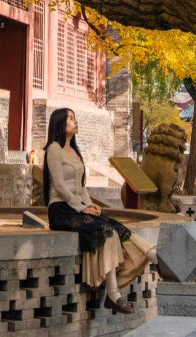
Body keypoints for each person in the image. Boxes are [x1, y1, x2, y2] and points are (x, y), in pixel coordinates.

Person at [43, 108, 157, 314]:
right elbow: (59, 185)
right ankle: (113, 295)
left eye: (74, 117)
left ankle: (152, 254)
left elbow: (82, 186)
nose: (75, 121)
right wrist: (82, 207)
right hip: (61, 210)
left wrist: (92, 205)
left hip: (78, 208)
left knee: (115, 226)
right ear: (60, 123)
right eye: (70, 118)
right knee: (106, 232)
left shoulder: (75, 152)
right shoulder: (53, 148)